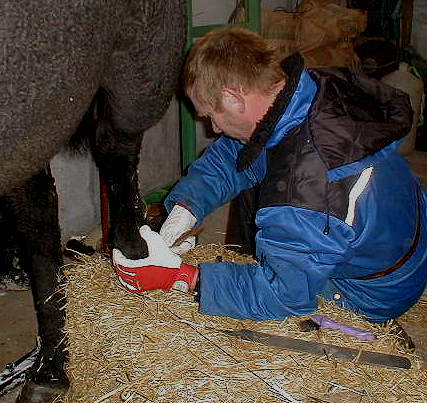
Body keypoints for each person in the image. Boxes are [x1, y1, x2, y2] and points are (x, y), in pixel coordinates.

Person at [113, 26, 427, 323]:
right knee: (257, 173)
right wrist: (185, 210)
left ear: (235, 98)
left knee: (247, 309)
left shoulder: (304, 188)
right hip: (403, 230)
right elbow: (235, 154)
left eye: (210, 115)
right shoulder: (310, 90)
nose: (215, 129)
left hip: (373, 291)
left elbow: (285, 297)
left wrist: (183, 278)